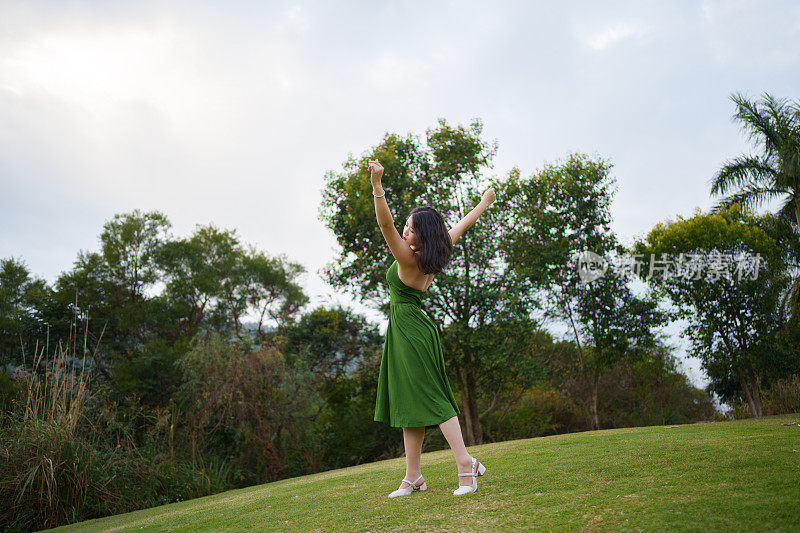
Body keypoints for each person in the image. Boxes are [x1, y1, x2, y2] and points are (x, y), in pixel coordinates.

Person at [367, 158, 496, 497]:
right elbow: (461, 226)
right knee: (410, 403)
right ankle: (414, 476)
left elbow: (384, 226)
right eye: (405, 227)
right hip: (409, 330)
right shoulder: (434, 253)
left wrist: (377, 186)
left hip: (410, 331)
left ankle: (465, 465)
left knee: (435, 400)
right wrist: (483, 203)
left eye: (410, 228)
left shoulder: (408, 259)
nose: (404, 232)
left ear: (422, 235)